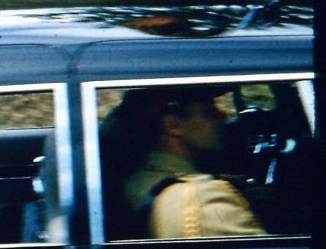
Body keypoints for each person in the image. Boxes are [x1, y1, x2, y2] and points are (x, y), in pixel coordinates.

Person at [108, 86, 265, 239]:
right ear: (173, 126)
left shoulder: (137, 181)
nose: (223, 116)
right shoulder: (202, 199)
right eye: (209, 110)